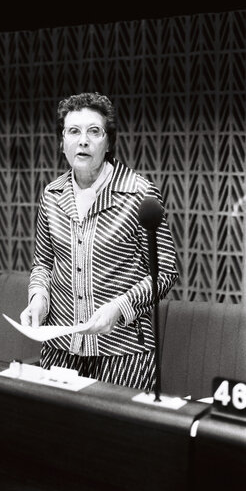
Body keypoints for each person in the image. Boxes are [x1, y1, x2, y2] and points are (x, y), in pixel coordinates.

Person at [20, 92, 178, 390]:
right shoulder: (52, 194)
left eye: (94, 131)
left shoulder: (139, 192)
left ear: (108, 142)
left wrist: (120, 307)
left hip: (123, 351)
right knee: (55, 433)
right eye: (73, 131)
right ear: (61, 141)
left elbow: (166, 273)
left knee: (116, 436)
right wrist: (38, 299)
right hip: (60, 346)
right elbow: (42, 263)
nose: (83, 141)